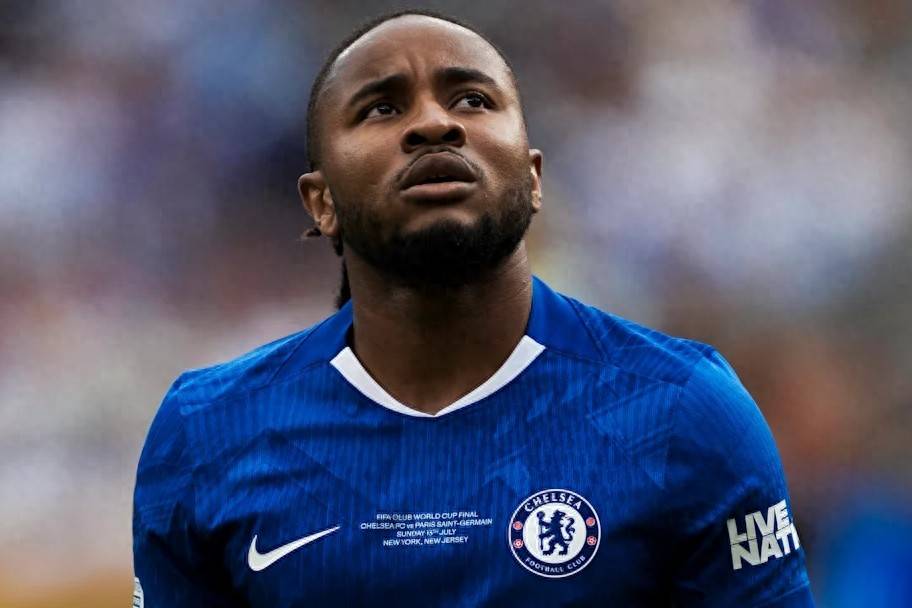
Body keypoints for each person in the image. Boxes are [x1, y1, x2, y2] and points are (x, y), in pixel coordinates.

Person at [132, 9, 814, 607]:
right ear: (321, 202)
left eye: (472, 99)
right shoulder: (209, 431)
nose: (435, 124)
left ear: (533, 176)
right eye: (381, 108)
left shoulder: (682, 409)